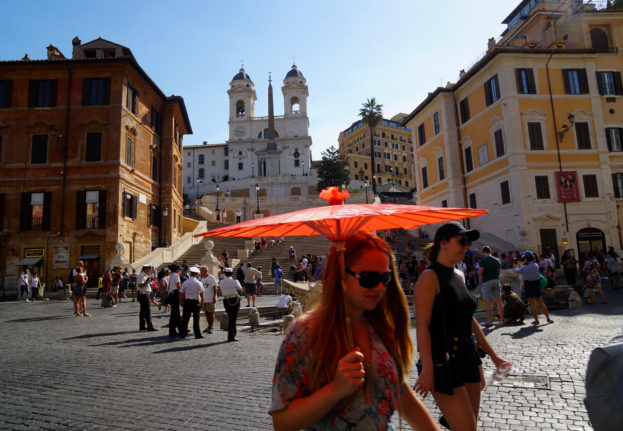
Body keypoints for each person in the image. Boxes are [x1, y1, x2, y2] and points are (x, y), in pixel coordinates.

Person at [271, 231, 437, 430]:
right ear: (341, 274)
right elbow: (282, 422)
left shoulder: (381, 327)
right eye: (367, 278)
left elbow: (404, 398)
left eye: (385, 278)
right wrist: (335, 390)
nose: (378, 287)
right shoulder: (304, 332)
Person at [413, 221, 508, 431]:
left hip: (468, 356)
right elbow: (422, 325)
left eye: (468, 242)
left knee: (468, 425)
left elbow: (470, 320)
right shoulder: (429, 277)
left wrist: (493, 357)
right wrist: (427, 368)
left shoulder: (458, 275)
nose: (467, 247)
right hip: (443, 361)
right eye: (462, 241)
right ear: (443, 243)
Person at [513, 251, 554, 325]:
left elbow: (516, 270)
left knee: (532, 304)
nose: (523, 260)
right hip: (536, 284)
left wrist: (515, 265)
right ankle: (548, 318)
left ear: (527, 259)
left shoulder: (525, 267)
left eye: (524, 258)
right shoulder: (535, 265)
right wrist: (520, 265)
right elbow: (525, 268)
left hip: (529, 285)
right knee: (541, 302)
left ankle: (536, 320)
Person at [479, 246, 504, 327]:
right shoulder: (497, 260)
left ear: (484, 252)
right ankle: (502, 320)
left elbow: (480, 272)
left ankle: (489, 321)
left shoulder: (483, 260)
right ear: (490, 251)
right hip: (496, 280)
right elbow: (499, 272)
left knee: (488, 302)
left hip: (487, 281)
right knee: (499, 301)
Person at [179, 267, 205, 339]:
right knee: (196, 319)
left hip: (187, 301)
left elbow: (181, 293)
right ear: (197, 274)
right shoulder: (199, 283)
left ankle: (183, 334)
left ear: (190, 273)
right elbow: (202, 295)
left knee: (185, 319)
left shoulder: (185, 282)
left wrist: (181, 301)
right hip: (195, 301)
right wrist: (202, 304)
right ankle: (197, 334)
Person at [219, 267, 242, 342]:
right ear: (232, 274)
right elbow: (240, 289)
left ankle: (233, 334)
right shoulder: (235, 281)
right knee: (233, 318)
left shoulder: (221, 281)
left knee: (231, 317)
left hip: (226, 300)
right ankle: (231, 336)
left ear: (224, 273)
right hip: (234, 299)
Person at [137, 264, 157, 331]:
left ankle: (142, 326)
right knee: (147, 311)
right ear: (146, 269)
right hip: (143, 294)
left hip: (144, 294)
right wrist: (147, 282)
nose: (150, 270)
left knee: (143, 311)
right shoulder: (142, 275)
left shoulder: (145, 275)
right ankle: (149, 326)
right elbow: (140, 285)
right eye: (149, 269)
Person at [199, 266, 217, 334]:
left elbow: (215, 287)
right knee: (206, 313)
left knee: (211, 312)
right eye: (200, 271)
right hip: (204, 299)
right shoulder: (201, 278)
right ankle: (208, 326)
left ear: (205, 271)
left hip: (210, 298)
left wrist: (214, 297)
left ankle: (211, 327)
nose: (201, 272)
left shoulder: (211, 277)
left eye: (202, 271)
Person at [167, 265, 182, 337]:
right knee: (175, 313)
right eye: (180, 269)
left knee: (174, 313)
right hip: (175, 294)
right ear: (177, 270)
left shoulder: (171, 275)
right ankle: (178, 329)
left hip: (171, 294)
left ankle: (173, 330)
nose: (181, 271)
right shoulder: (176, 275)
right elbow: (178, 285)